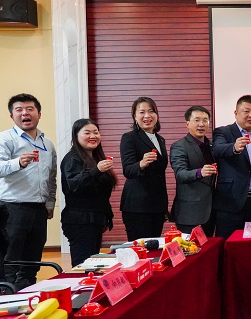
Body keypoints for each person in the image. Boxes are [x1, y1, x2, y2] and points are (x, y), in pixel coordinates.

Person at [0, 93, 57, 289]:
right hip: (13, 209)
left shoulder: (46, 143)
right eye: (19, 110)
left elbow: (51, 176)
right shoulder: (4, 139)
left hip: (39, 209)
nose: (25, 113)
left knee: (32, 262)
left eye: (30, 109)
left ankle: (28, 294)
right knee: (10, 260)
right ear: (12, 116)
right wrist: (17, 162)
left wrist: (50, 203)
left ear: (39, 114)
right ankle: (7, 296)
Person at [212, 95, 251, 238]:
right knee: (227, 244)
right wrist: (233, 148)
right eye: (246, 111)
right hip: (230, 202)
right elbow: (217, 149)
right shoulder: (224, 132)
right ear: (236, 113)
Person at [60, 118, 117, 266]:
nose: (93, 136)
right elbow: (74, 185)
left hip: (95, 220)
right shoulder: (72, 159)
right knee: (83, 265)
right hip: (80, 221)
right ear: (76, 136)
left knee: (92, 264)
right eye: (87, 133)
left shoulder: (96, 157)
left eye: (96, 132)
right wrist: (96, 171)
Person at [119, 97, 169, 241]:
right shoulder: (129, 138)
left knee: (154, 248)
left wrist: (164, 206)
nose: (147, 116)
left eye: (151, 111)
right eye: (142, 112)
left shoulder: (160, 139)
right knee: (140, 248)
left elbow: (160, 174)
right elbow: (128, 170)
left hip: (157, 206)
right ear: (135, 116)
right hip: (137, 206)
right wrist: (141, 163)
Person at [170, 106, 217, 235]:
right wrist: (199, 172)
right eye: (197, 120)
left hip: (210, 212)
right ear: (187, 124)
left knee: (209, 246)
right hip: (189, 213)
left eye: (205, 120)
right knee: (190, 247)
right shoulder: (179, 146)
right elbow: (180, 174)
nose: (201, 124)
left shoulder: (211, 146)